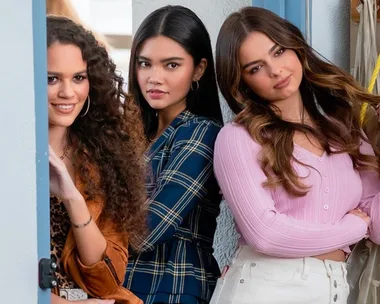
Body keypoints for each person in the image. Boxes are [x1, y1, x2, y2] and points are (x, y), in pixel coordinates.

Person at [212, 7, 380, 304]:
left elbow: (377, 225)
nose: (275, 70)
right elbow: (264, 233)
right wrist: (351, 229)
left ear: (296, 47)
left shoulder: (345, 130)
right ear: (241, 83)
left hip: (333, 291)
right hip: (262, 290)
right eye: (255, 68)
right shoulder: (237, 139)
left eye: (278, 52)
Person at [123, 5, 223, 304]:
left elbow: (149, 230)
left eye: (171, 65)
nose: (154, 77)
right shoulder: (130, 134)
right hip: (120, 283)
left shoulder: (201, 132)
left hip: (173, 285)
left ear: (199, 69)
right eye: (145, 63)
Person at [46, 16, 146, 304]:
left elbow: (106, 281)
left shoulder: (104, 160)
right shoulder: (11, 158)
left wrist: (72, 198)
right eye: (51, 78)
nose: (68, 92)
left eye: (79, 77)